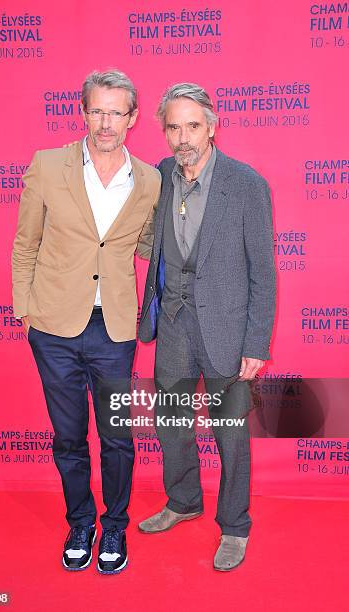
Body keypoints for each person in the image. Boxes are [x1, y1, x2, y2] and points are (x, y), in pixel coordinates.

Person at [11, 69, 160, 574]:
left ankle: (114, 525)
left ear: (132, 118)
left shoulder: (149, 179)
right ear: (83, 112)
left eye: (116, 112)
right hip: (52, 325)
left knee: (117, 436)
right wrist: (25, 312)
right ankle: (80, 522)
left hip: (114, 328)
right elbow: (24, 242)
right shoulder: (48, 165)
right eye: (97, 110)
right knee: (69, 436)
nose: (105, 122)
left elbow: (144, 243)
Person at [138, 83, 276, 571]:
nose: (182, 137)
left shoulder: (247, 184)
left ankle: (235, 526)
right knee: (171, 423)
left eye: (192, 125)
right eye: (173, 127)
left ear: (212, 127)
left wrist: (256, 342)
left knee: (230, 434)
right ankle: (183, 500)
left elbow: (263, 270)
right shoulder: (159, 176)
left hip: (226, 329)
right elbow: (149, 243)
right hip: (174, 324)